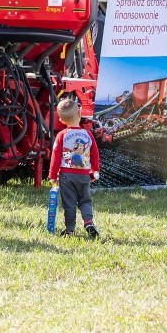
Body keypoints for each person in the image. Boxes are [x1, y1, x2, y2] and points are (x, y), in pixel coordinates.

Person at [48, 99, 100, 238]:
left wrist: (52, 175)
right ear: (80, 113)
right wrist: (95, 171)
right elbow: (95, 154)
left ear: (61, 120)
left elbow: (55, 157)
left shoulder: (62, 135)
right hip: (83, 175)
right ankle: (88, 221)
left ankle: (70, 229)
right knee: (85, 200)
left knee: (69, 203)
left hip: (66, 176)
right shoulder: (88, 135)